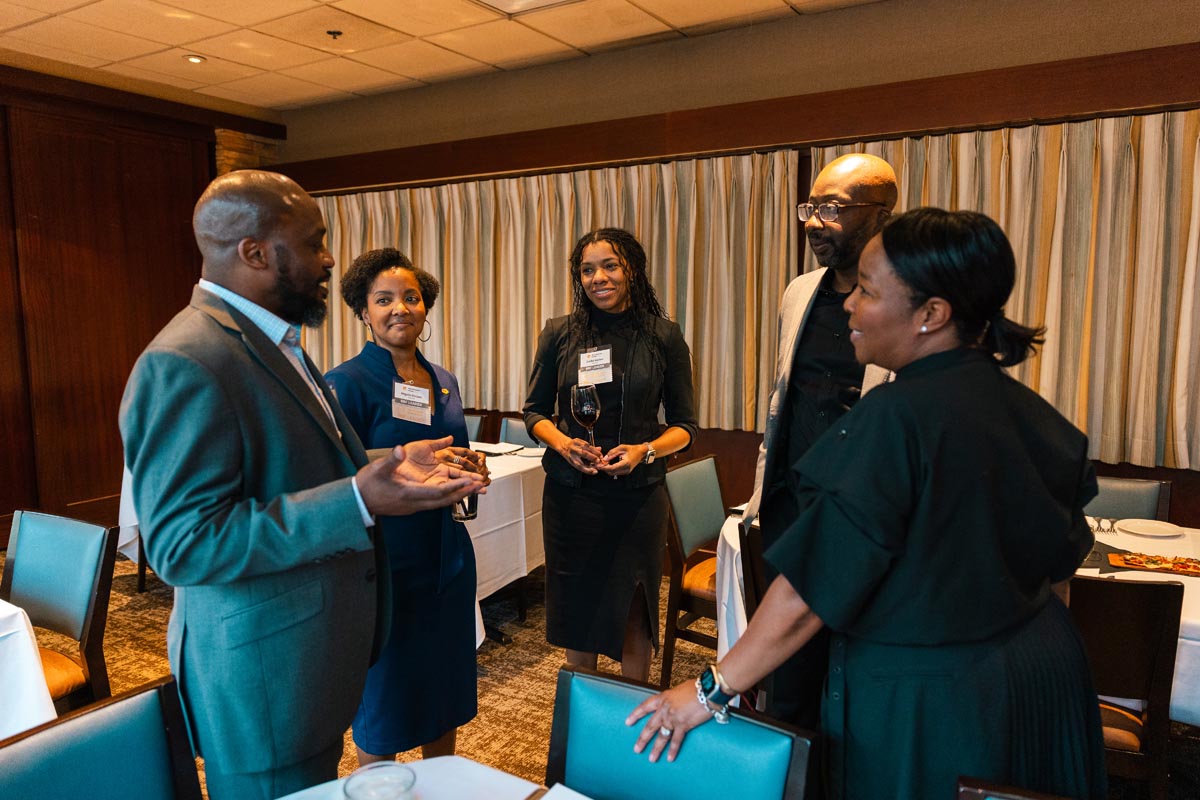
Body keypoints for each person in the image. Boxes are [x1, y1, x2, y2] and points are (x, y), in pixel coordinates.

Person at [628, 208, 1107, 800]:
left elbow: (807, 595)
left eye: (868, 291)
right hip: (1043, 675)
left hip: (930, 699)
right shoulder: (1026, 410)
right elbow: (1058, 574)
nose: (849, 305)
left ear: (932, 314)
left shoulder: (893, 418)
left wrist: (708, 691)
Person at [119, 170, 483, 800]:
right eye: (314, 243)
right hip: (262, 675)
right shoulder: (187, 359)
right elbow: (182, 545)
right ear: (255, 252)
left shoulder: (272, 341)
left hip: (306, 655)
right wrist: (357, 499)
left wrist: (395, 459)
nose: (330, 259)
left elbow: (297, 461)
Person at [743, 152, 897, 728]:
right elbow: (782, 397)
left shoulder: (909, 300)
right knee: (791, 677)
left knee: (859, 672)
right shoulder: (799, 292)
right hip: (792, 507)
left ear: (880, 214)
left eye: (832, 209)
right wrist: (762, 495)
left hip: (863, 517)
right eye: (810, 207)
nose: (813, 222)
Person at [325, 248, 486, 765]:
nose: (400, 308)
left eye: (411, 297)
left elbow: (452, 451)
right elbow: (331, 472)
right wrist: (399, 461)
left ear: (425, 307)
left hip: (447, 558)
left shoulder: (444, 380)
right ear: (363, 311)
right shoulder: (346, 383)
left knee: (445, 695)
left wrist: (469, 467)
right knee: (385, 705)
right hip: (385, 562)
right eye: (384, 299)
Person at [523, 228, 698, 681]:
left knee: (634, 611)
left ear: (632, 270)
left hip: (637, 498)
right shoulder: (559, 333)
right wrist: (563, 444)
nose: (597, 278)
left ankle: (631, 710)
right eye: (587, 270)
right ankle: (585, 709)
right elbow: (534, 412)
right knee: (577, 611)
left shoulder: (663, 336)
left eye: (609, 266)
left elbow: (686, 427)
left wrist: (645, 451)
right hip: (570, 496)